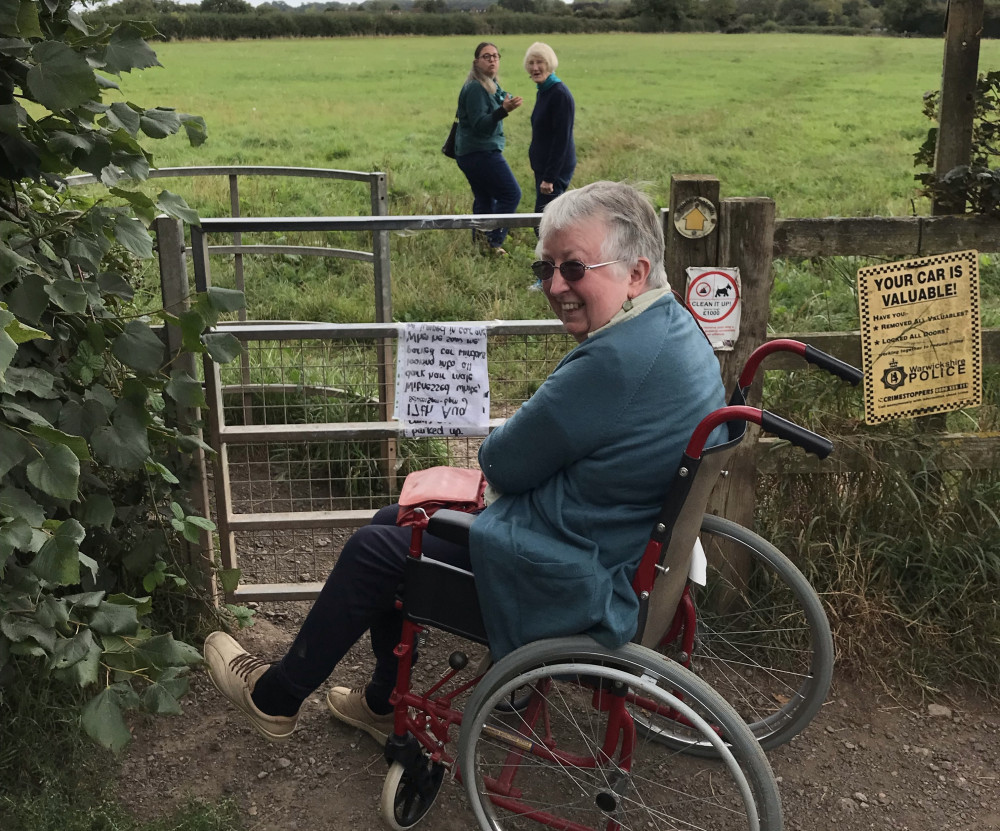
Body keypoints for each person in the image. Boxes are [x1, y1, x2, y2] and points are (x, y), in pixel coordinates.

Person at [203, 181, 727, 746]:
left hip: (579, 576)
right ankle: (381, 701)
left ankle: (275, 698)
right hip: (618, 545)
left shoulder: (615, 361)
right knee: (396, 525)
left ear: (635, 271)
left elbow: (502, 462)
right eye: (544, 267)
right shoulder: (674, 329)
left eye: (573, 269)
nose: (554, 286)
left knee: (377, 548)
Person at [453, 41, 523, 256]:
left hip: (473, 152)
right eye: (486, 56)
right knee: (511, 194)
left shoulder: (491, 84)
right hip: (479, 152)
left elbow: (500, 100)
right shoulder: (475, 87)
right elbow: (480, 125)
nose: (492, 59)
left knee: (484, 198)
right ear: (476, 62)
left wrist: (506, 103)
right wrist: (503, 111)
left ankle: (481, 244)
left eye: (495, 56)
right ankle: (493, 243)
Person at [524, 42, 576, 218]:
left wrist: (550, 178)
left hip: (554, 171)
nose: (535, 67)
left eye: (540, 62)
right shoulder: (544, 91)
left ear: (550, 64)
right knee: (546, 221)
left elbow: (562, 140)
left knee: (545, 224)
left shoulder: (559, 94)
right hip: (544, 167)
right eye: (531, 63)